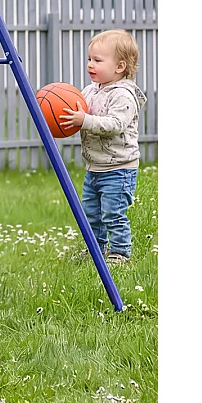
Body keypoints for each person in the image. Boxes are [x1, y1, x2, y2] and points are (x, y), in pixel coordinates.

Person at [60, 29, 147, 264]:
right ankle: (96, 249)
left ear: (120, 66)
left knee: (113, 214)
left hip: (119, 168)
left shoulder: (123, 95)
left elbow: (116, 124)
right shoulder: (90, 91)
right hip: (95, 167)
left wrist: (84, 120)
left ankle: (120, 253)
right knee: (91, 213)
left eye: (97, 60)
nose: (90, 64)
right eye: (89, 58)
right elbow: (79, 113)